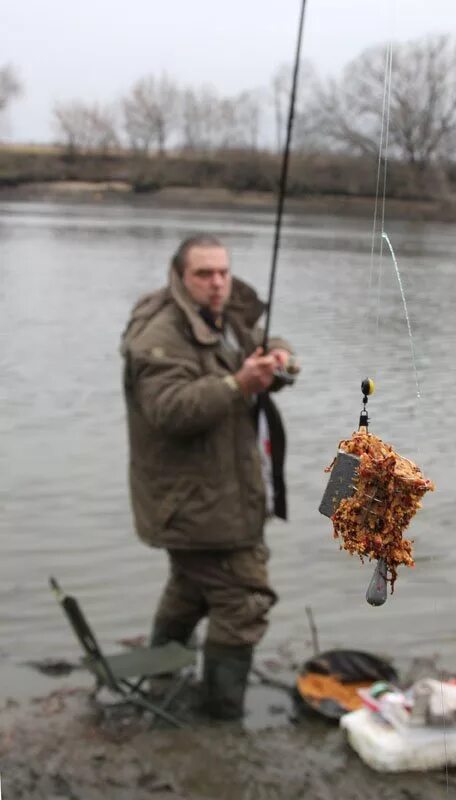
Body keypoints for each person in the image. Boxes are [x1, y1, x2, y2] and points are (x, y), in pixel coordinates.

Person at [120, 234, 296, 719]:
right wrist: (239, 384)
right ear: (180, 276)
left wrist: (278, 358)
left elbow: (259, 338)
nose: (218, 283)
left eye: (223, 271)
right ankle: (221, 717)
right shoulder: (159, 335)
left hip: (219, 493)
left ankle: (162, 682)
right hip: (195, 502)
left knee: (191, 589)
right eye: (204, 274)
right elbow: (168, 410)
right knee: (243, 601)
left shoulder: (223, 313)